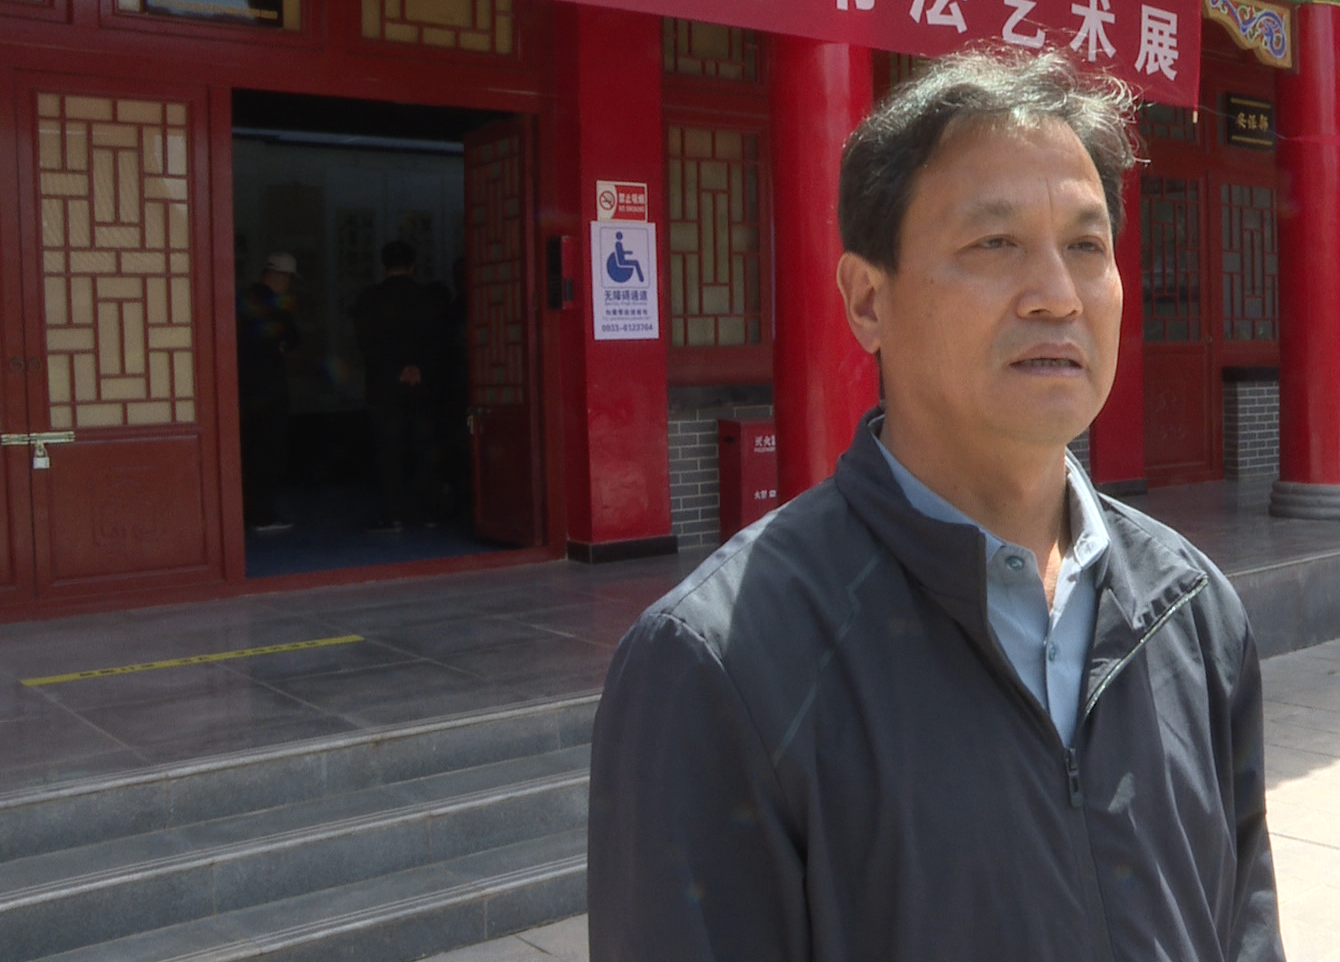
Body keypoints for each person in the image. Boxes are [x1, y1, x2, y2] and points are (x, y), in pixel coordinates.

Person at [588, 50, 1283, 961]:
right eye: (994, 244)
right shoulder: (721, 666)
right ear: (868, 299)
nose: (1058, 296)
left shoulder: (1191, 610)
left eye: (1086, 247)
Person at [352, 240, 451, 532]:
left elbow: (365, 342)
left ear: (383, 266)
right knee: (426, 448)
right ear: (412, 266)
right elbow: (439, 340)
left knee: (389, 451)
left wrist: (396, 370)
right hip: (423, 385)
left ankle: (394, 514)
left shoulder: (369, 298)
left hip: (385, 386)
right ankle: (432, 512)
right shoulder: (428, 298)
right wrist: (418, 367)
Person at [237, 251, 301, 532]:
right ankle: (262, 514)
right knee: (268, 452)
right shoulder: (276, 304)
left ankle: (246, 510)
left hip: (243, 389)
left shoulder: (243, 299)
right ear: (282, 276)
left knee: (248, 451)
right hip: (269, 390)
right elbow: (292, 337)